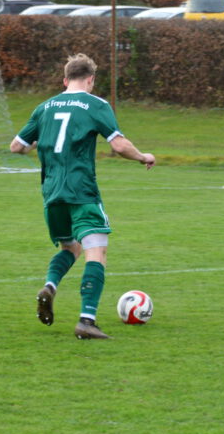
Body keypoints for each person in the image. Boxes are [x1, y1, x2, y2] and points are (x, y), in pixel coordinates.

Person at [10, 53, 155, 340]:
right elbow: (119, 145)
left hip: (52, 192)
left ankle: (50, 286)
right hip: (81, 190)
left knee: (70, 247)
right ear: (90, 80)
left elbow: (16, 146)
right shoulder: (96, 105)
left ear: (65, 80)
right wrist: (143, 156)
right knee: (96, 251)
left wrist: (42, 142)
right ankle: (86, 320)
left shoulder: (45, 107)